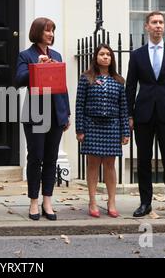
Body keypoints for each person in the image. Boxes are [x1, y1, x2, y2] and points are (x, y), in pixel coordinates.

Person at [126, 11, 165, 220]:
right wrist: (129, 115)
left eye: (161, 22)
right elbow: (130, 87)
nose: (158, 26)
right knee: (143, 161)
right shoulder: (137, 55)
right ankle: (145, 203)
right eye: (154, 22)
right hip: (143, 114)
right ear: (146, 27)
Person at [15, 17, 71, 221]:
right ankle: (33, 202)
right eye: (47, 31)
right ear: (38, 32)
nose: (51, 34)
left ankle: (48, 200)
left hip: (56, 113)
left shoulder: (56, 55)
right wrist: (36, 66)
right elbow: (18, 81)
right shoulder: (26, 55)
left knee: (51, 158)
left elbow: (62, 86)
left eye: (52, 31)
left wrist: (67, 114)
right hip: (35, 114)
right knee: (36, 157)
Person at [75, 44, 130, 218]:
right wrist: (80, 129)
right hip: (92, 126)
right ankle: (92, 201)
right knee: (92, 165)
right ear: (96, 57)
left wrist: (125, 132)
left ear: (112, 59)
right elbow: (79, 105)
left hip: (112, 127)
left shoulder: (119, 80)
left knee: (109, 165)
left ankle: (111, 201)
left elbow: (123, 108)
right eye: (102, 54)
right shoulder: (86, 78)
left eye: (108, 55)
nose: (105, 57)